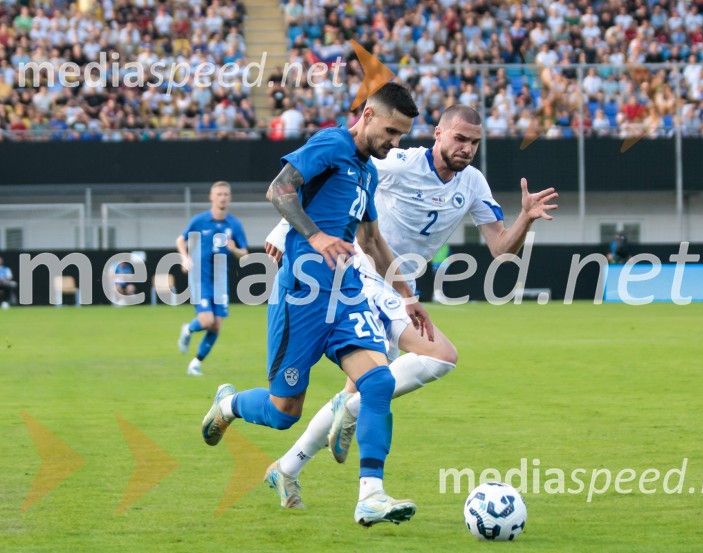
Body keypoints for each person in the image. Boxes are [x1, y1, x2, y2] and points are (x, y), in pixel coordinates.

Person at [262, 104, 558, 510]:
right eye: (460, 138)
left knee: (364, 390)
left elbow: (502, 250)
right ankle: (365, 482)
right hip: (364, 270)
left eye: (474, 142)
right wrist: (284, 228)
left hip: (401, 286)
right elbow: (329, 183)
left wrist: (525, 219)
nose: (467, 148)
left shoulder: (473, 185)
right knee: (441, 356)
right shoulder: (399, 161)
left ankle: (288, 468)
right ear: (438, 133)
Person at [200, 83, 434, 527]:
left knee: (379, 383)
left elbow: (371, 241)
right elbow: (278, 189)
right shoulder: (332, 143)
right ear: (367, 115)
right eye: (391, 131)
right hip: (301, 298)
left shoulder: (368, 172)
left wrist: (409, 296)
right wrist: (315, 236)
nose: (395, 142)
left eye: (402, 135)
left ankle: (371, 496)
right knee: (283, 412)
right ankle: (228, 405)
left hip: (345, 298)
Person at [176, 181, 249, 376]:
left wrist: (234, 249)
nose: (222, 197)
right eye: (219, 194)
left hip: (220, 280)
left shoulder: (234, 224)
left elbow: (244, 254)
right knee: (207, 321)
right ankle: (188, 329)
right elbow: (181, 239)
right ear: (211, 197)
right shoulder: (200, 221)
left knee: (216, 326)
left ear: (230, 197)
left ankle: (195, 364)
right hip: (200, 277)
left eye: (226, 194)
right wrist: (184, 257)